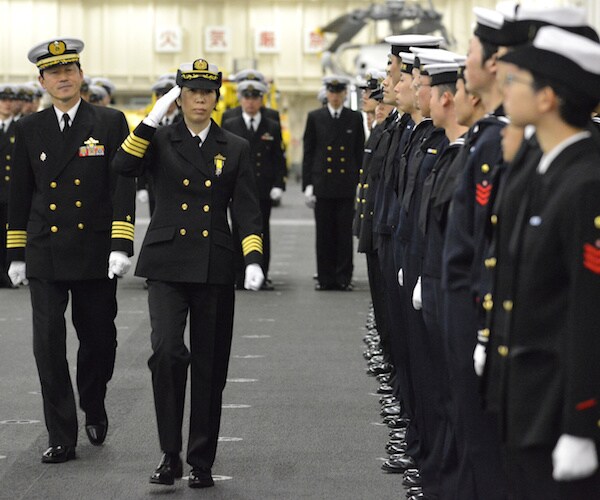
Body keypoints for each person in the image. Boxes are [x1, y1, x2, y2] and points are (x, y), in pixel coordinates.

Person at [112, 57, 265, 488]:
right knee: (166, 352)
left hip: (214, 264)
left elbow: (248, 209)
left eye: (207, 92)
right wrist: (150, 118)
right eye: (191, 92)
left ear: (217, 99)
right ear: (179, 97)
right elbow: (122, 167)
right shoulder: (159, 139)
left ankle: (201, 459)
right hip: (166, 262)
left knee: (210, 366)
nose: (200, 99)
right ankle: (168, 454)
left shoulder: (234, 146)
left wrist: (252, 258)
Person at [6, 37, 135, 463]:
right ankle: (61, 433)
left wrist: (121, 242)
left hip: (95, 248)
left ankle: (93, 402)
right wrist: (17, 253)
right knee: (48, 343)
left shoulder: (111, 121)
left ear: (81, 75)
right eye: (54, 72)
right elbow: (20, 194)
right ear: (42, 81)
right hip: (46, 250)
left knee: (99, 339)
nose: (63, 78)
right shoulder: (28, 129)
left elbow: (122, 186)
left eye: (70, 70)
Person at [484, 25, 600, 498]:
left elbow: (588, 309)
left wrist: (581, 420)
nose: (504, 89)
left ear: (548, 98)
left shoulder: (585, 183)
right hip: (528, 401)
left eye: (516, 81)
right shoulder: (548, 172)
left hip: (556, 409)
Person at [222, 80, 286, 290]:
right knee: (236, 231)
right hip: (236, 189)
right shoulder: (231, 124)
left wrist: (279, 184)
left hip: (262, 188)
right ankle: (238, 275)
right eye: (246, 98)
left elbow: (278, 158)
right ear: (241, 99)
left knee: (261, 231)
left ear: (261, 100)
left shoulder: (272, 126)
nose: (250, 102)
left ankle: (261, 274)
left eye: (255, 98)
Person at [302, 75, 364, 290]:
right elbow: (309, 153)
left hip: (345, 184)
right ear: (326, 93)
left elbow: (358, 153)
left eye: (339, 93)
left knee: (344, 234)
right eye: (332, 92)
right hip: (323, 184)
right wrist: (308, 184)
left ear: (345, 94)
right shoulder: (315, 117)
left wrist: (359, 184)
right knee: (324, 234)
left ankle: (343, 277)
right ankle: (325, 277)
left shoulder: (354, 118)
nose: (335, 97)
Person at [0, 84, 16, 288]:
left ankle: (6, 271)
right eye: (4, 100)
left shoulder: (20, 128)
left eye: (11, 100)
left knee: (7, 234)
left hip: (10, 191)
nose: (7, 104)